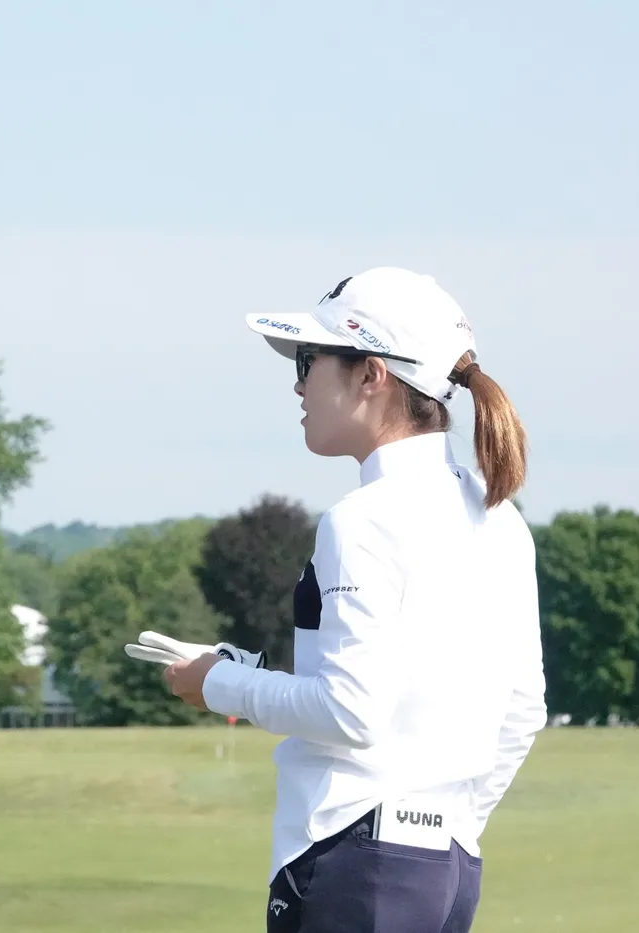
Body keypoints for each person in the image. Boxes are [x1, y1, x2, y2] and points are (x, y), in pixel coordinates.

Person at [160, 267, 547, 933]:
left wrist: (217, 683)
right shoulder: (498, 515)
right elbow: (524, 709)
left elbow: (349, 710)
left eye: (309, 360)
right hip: (447, 866)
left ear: (371, 374)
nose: (297, 384)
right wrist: (449, 826)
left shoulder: (361, 519)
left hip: (356, 867)